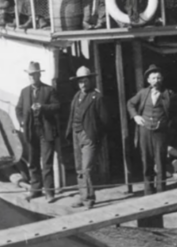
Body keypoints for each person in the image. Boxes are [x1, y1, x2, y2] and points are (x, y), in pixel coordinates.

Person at [127, 65, 177, 195]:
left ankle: (161, 190)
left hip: (160, 133)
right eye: (153, 78)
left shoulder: (169, 94)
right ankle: (148, 190)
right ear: (148, 80)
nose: (156, 80)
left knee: (160, 161)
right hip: (145, 132)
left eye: (158, 78)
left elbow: (176, 113)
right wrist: (136, 116)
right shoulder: (143, 93)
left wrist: (167, 125)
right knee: (146, 160)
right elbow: (130, 104)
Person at [15, 61, 61, 202]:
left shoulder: (49, 90)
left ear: (39, 74)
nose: (32, 77)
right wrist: (22, 121)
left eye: (35, 74)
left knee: (46, 163)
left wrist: (43, 107)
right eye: (30, 75)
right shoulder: (24, 92)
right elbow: (18, 109)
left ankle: (49, 193)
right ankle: (35, 190)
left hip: (46, 131)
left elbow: (57, 106)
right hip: (31, 132)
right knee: (33, 162)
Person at [66, 65, 108, 208]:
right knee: (79, 168)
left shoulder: (97, 96)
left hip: (89, 136)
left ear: (90, 80)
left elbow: (104, 121)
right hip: (76, 134)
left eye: (85, 81)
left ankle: (89, 199)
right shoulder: (77, 96)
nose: (82, 84)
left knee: (87, 168)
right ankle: (83, 196)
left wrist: (95, 137)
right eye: (80, 82)